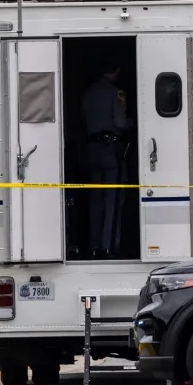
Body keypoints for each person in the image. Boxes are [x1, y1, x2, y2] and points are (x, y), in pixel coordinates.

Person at [82, 64, 132, 257]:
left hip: (91, 149)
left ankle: (93, 246)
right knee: (113, 199)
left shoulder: (88, 93)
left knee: (96, 200)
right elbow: (120, 123)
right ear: (117, 70)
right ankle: (108, 247)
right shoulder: (115, 93)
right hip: (110, 150)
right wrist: (133, 122)